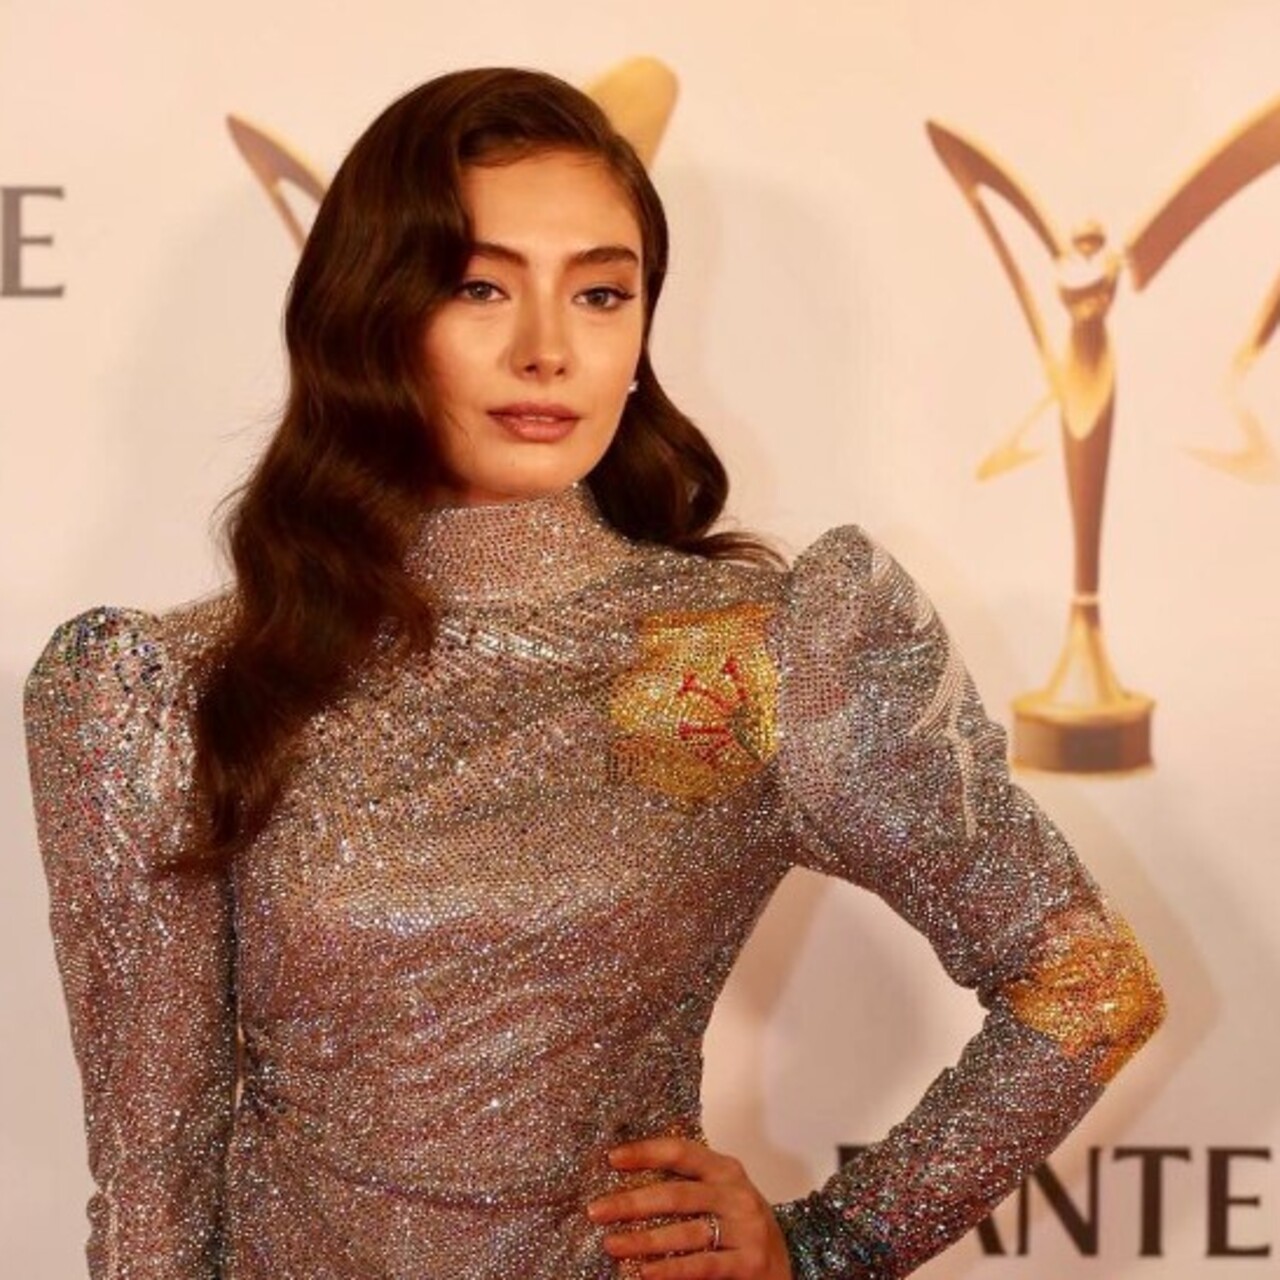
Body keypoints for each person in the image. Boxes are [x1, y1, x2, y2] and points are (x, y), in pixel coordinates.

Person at [24, 67, 1165, 1280]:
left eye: (601, 293)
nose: (547, 350)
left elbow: (1086, 980)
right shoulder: (171, 691)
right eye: (478, 286)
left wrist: (829, 1245)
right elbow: (150, 1180)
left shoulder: (751, 654)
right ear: (366, 312)